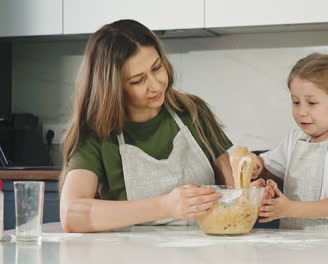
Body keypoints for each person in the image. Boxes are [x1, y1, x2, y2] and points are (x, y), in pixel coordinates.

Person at [59, 19, 238, 233]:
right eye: (137, 81)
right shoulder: (97, 134)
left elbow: (234, 191)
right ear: (112, 87)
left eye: (157, 68)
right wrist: (166, 206)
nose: (155, 85)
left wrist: (253, 191)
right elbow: (71, 214)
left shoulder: (193, 111)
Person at [256, 53, 328, 231]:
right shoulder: (296, 138)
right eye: (296, 102)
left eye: (312, 103)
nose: (301, 112)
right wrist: (257, 168)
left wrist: (289, 208)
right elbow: (267, 168)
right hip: (291, 242)